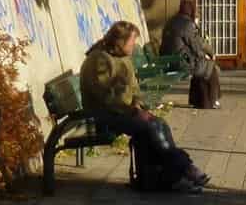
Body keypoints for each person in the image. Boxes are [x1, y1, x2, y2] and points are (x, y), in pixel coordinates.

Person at [80, 20, 209, 193]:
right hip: (104, 116)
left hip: (123, 112)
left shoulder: (124, 58)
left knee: (158, 123)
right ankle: (183, 171)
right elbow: (107, 98)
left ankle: (167, 178)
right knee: (151, 127)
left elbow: (134, 89)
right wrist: (134, 111)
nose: (134, 45)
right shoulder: (99, 60)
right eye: (132, 41)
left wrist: (139, 106)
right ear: (120, 41)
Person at [159, 0, 221, 109]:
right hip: (181, 62)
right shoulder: (186, 24)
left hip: (169, 60)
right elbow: (196, 45)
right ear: (191, 11)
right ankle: (211, 101)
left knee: (202, 65)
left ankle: (196, 100)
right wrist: (209, 54)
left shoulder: (172, 21)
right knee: (210, 67)